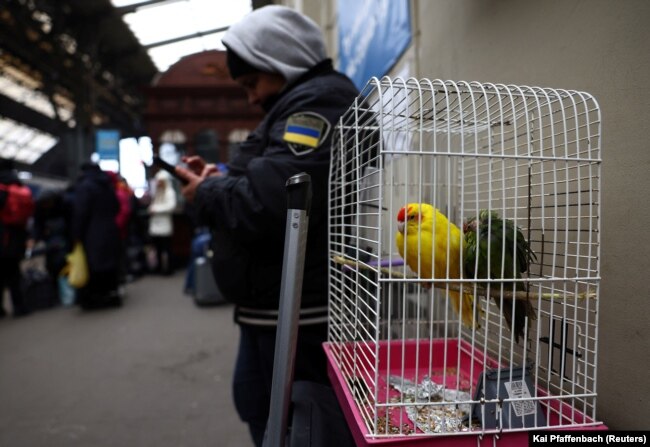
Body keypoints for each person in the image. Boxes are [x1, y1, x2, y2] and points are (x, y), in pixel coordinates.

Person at [175, 5, 360, 446]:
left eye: (252, 82)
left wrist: (206, 193)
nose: (251, 97)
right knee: (265, 415)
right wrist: (219, 183)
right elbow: (264, 183)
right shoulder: (294, 105)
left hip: (298, 320)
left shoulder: (319, 104)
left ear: (282, 61)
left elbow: (274, 203)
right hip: (273, 314)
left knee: (299, 428)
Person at [71, 162, 122, 309]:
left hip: (92, 232)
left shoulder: (85, 186)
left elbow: (81, 213)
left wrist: (76, 234)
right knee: (110, 265)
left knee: (93, 266)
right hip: (111, 230)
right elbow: (116, 206)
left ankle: (95, 300)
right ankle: (111, 296)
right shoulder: (107, 185)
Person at [0, 158, 32, 317]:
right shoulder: (18, 184)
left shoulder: (2, 187)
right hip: (17, 236)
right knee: (14, 273)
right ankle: (20, 307)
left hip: (3, 235)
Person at [147, 169, 177, 275]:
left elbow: (171, 206)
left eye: (160, 181)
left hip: (165, 225)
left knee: (167, 249)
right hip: (156, 225)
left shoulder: (170, 192)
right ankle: (159, 268)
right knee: (158, 249)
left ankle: (169, 269)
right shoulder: (157, 192)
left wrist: (156, 209)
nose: (158, 183)